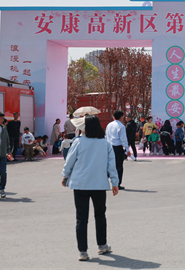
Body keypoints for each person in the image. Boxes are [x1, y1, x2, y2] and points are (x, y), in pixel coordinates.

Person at [61, 115, 118, 261]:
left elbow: (69, 162)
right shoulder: (105, 143)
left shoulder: (78, 142)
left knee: (81, 218)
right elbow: (111, 165)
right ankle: (102, 245)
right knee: (100, 215)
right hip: (99, 185)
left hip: (80, 184)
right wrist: (115, 183)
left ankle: (83, 251)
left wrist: (65, 176)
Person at [105, 110, 129, 190]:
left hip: (109, 147)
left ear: (113, 116)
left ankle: (103, 180)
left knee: (109, 165)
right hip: (117, 148)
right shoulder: (121, 126)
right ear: (121, 117)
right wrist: (127, 149)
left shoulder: (109, 125)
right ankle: (117, 184)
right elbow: (123, 139)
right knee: (119, 166)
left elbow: (106, 136)